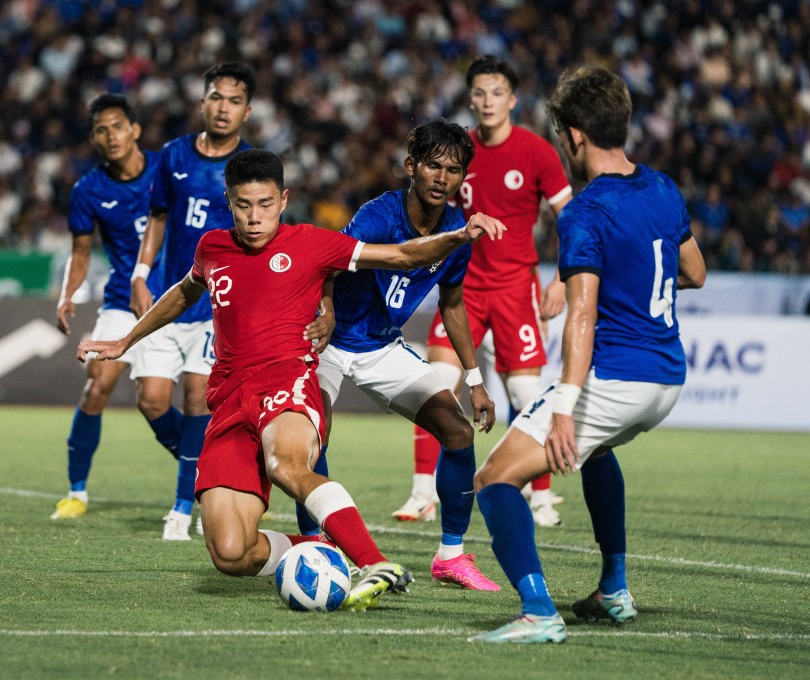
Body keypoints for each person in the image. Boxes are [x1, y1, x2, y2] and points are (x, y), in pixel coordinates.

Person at [78, 149, 505, 610]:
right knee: (229, 551)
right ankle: (316, 552)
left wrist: (460, 234)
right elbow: (184, 292)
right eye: (244, 205)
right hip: (228, 400)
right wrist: (125, 341)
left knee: (287, 465)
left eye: (265, 204)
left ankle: (373, 562)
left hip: (288, 383)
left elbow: (401, 255)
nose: (255, 217)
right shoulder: (212, 248)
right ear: (229, 201)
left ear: (283, 200)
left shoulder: (312, 243)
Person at [469, 65, 706, 643]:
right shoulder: (662, 187)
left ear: (573, 135)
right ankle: (612, 589)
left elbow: (580, 313)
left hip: (617, 377)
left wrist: (563, 406)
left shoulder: (585, 211)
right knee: (597, 453)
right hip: (668, 379)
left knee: (494, 479)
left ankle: (537, 611)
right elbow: (694, 272)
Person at [308, 120, 502, 591]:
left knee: (457, 432)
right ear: (411, 167)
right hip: (329, 342)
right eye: (433, 165)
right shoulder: (378, 214)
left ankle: (450, 557)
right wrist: (328, 310)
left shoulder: (457, 230)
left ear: (463, 179)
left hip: (380, 346)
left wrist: (475, 381)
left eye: (453, 170)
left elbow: (452, 304)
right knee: (311, 439)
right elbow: (336, 262)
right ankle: (318, 547)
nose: (442, 177)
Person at [400, 55, 573, 528]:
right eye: (479, 93)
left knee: (526, 392)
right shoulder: (458, 156)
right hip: (463, 289)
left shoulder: (536, 151)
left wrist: (561, 277)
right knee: (434, 385)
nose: (487, 101)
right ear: (471, 99)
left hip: (517, 289)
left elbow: (573, 217)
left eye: (497, 92)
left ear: (512, 99)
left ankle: (539, 496)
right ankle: (421, 493)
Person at [128, 62, 254, 540]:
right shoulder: (173, 155)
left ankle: (183, 507)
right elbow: (157, 218)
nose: (224, 108)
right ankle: (210, 464)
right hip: (171, 298)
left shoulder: (247, 168)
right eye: (217, 98)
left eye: (234, 100)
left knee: (198, 397)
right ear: (202, 102)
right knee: (151, 400)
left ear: (247, 110)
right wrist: (142, 275)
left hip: (218, 306)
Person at [51, 93, 175, 520]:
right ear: (94, 139)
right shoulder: (88, 190)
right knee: (97, 384)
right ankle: (76, 492)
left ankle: (209, 477)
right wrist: (68, 294)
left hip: (180, 297)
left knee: (156, 401)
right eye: (101, 129)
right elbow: (81, 253)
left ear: (135, 130)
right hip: (123, 297)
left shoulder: (168, 167)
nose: (111, 135)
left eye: (118, 125)